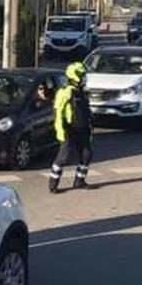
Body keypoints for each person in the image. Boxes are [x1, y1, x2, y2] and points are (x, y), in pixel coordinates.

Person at [48, 62, 94, 193]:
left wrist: (90, 124)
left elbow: (86, 110)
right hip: (70, 129)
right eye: (82, 75)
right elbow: (58, 112)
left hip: (83, 129)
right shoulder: (65, 92)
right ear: (75, 76)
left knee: (86, 155)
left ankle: (79, 181)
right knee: (63, 158)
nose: (85, 78)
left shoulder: (82, 92)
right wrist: (61, 131)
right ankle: (53, 184)